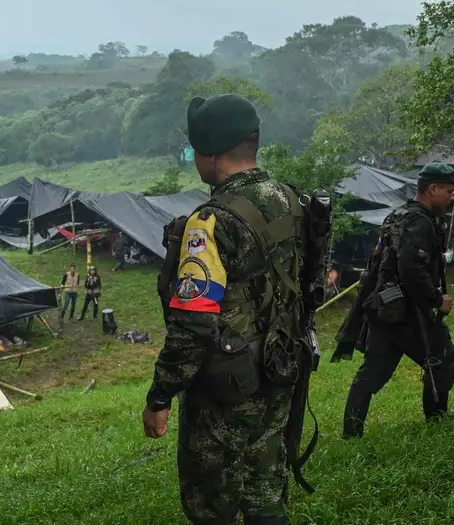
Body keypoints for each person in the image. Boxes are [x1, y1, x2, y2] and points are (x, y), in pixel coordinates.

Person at [142, 94, 309, 525]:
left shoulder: (210, 223)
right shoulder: (288, 199)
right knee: (266, 492)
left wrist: (160, 396)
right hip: (281, 365)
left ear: (210, 155)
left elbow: (191, 326)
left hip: (228, 385)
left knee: (211, 502)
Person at [340, 162, 454, 439]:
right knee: (442, 359)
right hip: (408, 313)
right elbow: (411, 268)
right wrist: (435, 300)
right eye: (448, 190)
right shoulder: (419, 222)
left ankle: (351, 433)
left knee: (372, 373)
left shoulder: (399, 215)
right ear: (433, 188)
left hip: (386, 308)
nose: (451, 197)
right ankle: (437, 422)